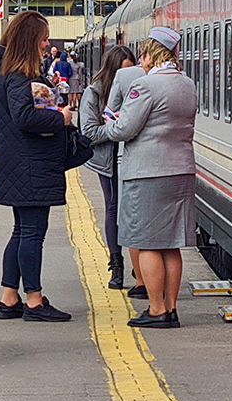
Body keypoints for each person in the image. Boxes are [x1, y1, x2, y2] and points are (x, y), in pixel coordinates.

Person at [104, 27, 196, 328]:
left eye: (144, 54)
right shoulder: (187, 84)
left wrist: (108, 123)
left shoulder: (145, 86)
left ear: (153, 54)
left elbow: (124, 130)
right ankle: (171, 308)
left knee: (147, 244)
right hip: (180, 169)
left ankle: (156, 309)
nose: (142, 61)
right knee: (170, 244)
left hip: (147, 174)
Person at [0, 11, 74, 323]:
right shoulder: (19, 78)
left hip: (19, 163)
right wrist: (60, 118)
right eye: (44, 38)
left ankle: (9, 298)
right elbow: (25, 117)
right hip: (28, 165)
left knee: (22, 230)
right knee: (33, 233)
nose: (47, 44)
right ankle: (34, 301)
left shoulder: (9, 73)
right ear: (31, 41)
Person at [79, 45, 137, 289]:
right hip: (108, 158)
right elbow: (89, 132)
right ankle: (117, 264)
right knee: (113, 206)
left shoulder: (138, 90)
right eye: (123, 72)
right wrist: (118, 129)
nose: (128, 77)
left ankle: (140, 267)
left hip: (134, 156)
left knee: (134, 210)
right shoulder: (94, 92)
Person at [105, 57, 146, 297]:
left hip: (130, 159)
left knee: (129, 220)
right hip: (170, 165)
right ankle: (164, 299)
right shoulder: (182, 82)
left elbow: (113, 120)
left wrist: (114, 124)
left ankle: (141, 281)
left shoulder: (125, 77)